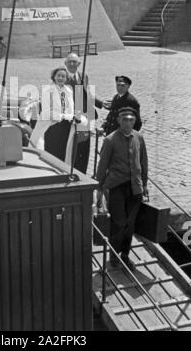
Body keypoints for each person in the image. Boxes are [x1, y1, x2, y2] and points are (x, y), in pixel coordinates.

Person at [96, 107, 148, 271]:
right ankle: (113, 255)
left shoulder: (139, 138)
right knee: (119, 222)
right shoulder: (110, 140)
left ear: (135, 121)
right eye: (124, 119)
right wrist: (99, 187)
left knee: (130, 223)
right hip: (116, 186)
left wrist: (145, 185)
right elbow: (102, 165)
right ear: (119, 120)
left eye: (131, 119)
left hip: (135, 187)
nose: (128, 122)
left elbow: (144, 162)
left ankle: (125, 254)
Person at [65, 53, 109, 174]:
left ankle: (81, 173)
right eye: (70, 62)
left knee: (83, 148)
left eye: (75, 62)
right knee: (70, 148)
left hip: (85, 117)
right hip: (70, 119)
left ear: (79, 64)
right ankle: (68, 172)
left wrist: (101, 102)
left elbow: (88, 93)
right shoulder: (61, 77)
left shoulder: (83, 75)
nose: (72, 64)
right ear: (65, 64)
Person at [29, 67, 76, 163]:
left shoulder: (69, 91)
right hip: (50, 126)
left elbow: (70, 110)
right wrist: (63, 116)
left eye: (63, 76)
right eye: (58, 75)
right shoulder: (48, 91)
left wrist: (70, 116)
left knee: (62, 153)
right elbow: (47, 112)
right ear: (54, 77)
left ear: (66, 78)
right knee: (51, 153)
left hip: (65, 127)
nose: (60, 78)